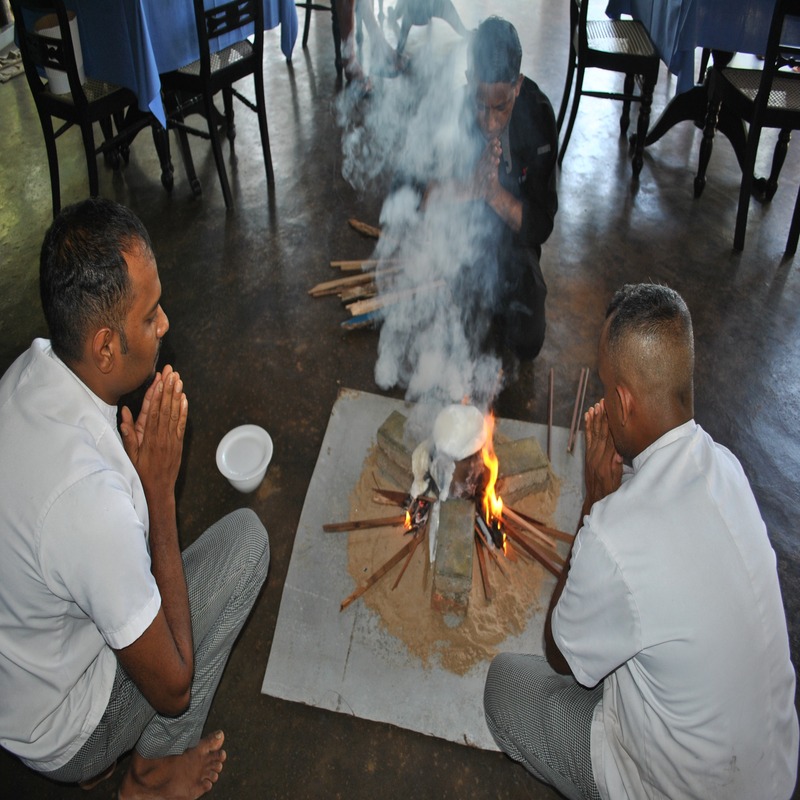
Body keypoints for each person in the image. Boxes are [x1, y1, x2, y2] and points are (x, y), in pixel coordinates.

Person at [483, 283, 799, 799]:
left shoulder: (616, 532)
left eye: (606, 388)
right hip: (775, 775)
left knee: (506, 686)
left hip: (677, 790)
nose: (602, 400)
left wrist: (595, 505)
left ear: (623, 403)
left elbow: (562, 655)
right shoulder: (728, 468)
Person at [0, 198, 270, 799]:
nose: (165, 323)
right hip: (62, 725)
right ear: (104, 347)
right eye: (149, 318)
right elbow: (173, 685)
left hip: (17, 676)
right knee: (247, 545)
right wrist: (158, 492)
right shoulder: (86, 503)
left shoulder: (28, 372)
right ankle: (145, 776)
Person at [422, 15, 558, 365]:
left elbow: (541, 226)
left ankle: (501, 304)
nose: (490, 120)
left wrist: (495, 193)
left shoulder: (539, 116)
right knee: (450, 333)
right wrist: (471, 187)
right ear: (469, 81)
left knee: (527, 341)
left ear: (518, 85)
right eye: (481, 104)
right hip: (462, 238)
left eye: (501, 106)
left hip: (515, 242)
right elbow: (422, 202)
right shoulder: (451, 113)